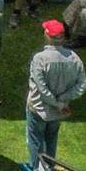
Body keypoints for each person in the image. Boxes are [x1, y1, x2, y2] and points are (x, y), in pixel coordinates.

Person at [24, 19, 86, 170]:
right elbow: (81, 85)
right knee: (51, 140)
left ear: (48, 36)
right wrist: (64, 100)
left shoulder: (40, 59)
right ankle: (49, 167)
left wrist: (57, 102)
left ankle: (35, 167)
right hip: (59, 111)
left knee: (35, 141)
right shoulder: (75, 59)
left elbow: (42, 89)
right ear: (63, 38)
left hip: (38, 109)